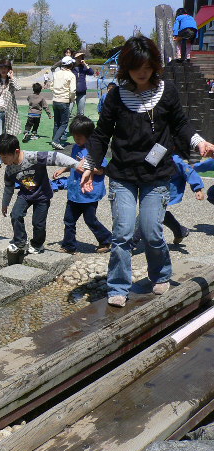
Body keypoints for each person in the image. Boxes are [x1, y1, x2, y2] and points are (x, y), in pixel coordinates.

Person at [80, 36, 214, 307]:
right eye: (135, 67)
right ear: (126, 67)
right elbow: (101, 135)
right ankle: (118, 285)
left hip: (157, 174)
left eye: (147, 66)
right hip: (123, 175)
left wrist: (199, 142)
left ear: (154, 65)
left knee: (152, 231)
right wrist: (89, 164)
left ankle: (161, 273)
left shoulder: (168, 91)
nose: (142, 72)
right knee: (123, 233)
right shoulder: (116, 96)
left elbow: (181, 125)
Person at [0, 133, 82, 254]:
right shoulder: (9, 169)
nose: (2, 161)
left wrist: (76, 165)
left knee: (38, 223)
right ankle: (20, 242)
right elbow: (8, 187)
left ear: (16, 151)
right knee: (15, 215)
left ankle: (37, 244)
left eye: (4, 157)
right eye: (0, 157)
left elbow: (56, 157)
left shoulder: (33, 157)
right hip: (25, 194)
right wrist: (5, 203)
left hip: (42, 195)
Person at [53, 116, 111, 254]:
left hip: (89, 193)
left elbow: (102, 170)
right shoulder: (75, 148)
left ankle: (107, 239)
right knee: (69, 220)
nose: (76, 140)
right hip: (74, 192)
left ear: (89, 135)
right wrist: (63, 169)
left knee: (90, 220)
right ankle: (69, 246)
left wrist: (88, 168)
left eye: (79, 137)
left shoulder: (96, 150)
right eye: (74, 137)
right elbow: (73, 163)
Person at [133, 150, 205, 246]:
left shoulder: (174, 159)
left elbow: (189, 172)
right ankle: (180, 231)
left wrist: (198, 188)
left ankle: (131, 243)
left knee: (147, 216)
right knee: (159, 213)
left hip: (166, 191)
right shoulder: (154, 153)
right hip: (152, 190)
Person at [51, 56, 76, 150]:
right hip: (64, 100)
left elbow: (51, 86)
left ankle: (55, 139)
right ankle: (56, 140)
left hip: (55, 100)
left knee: (56, 122)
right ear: (70, 64)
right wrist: (72, 99)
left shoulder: (56, 73)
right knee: (64, 123)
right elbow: (73, 90)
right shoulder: (71, 75)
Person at [72, 52, 94, 116]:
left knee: (80, 112)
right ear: (75, 58)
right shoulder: (71, 67)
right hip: (72, 92)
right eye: (78, 57)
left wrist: (85, 64)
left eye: (81, 57)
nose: (79, 59)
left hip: (82, 92)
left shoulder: (84, 67)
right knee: (68, 112)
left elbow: (91, 72)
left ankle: (79, 125)